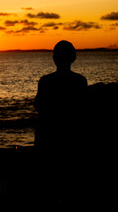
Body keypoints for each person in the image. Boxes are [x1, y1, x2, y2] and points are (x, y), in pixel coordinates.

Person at [34, 40, 88, 203]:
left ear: (54, 59)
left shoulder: (45, 81)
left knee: (49, 187)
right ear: (73, 58)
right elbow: (83, 109)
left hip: (49, 138)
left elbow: (39, 107)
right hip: (72, 138)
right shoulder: (80, 81)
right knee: (71, 187)